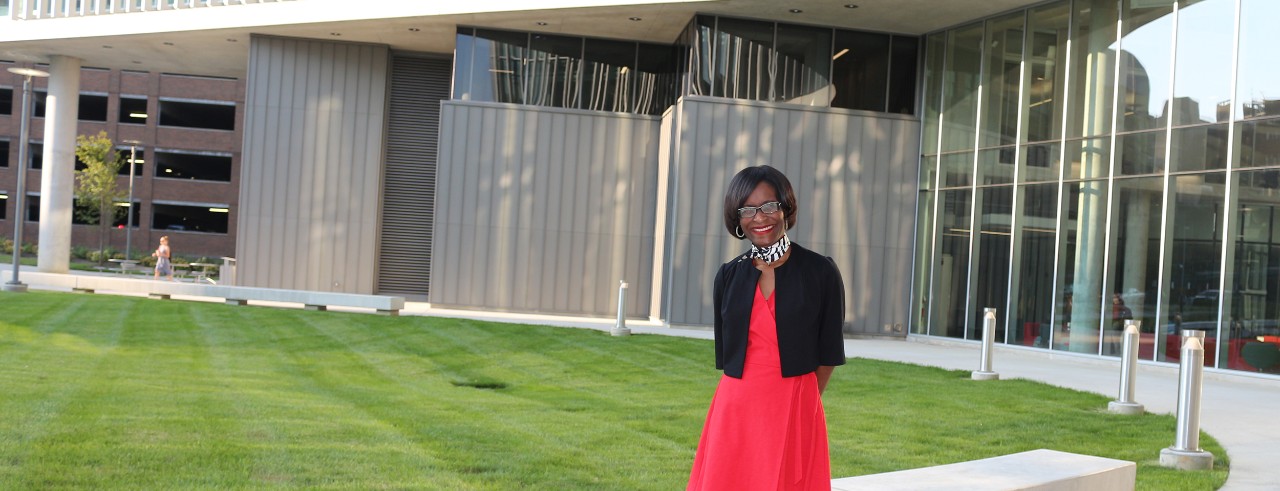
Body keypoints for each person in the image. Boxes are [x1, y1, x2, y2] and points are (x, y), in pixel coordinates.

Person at [687, 165, 846, 491]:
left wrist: (803, 400)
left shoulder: (820, 271)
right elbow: (726, 351)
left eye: (769, 206)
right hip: (735, 406)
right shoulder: (728, 275)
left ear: (786, 208)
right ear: (738, 220)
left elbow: (829, 351)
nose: (760, 217)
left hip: (795, 402)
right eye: (748, 210)